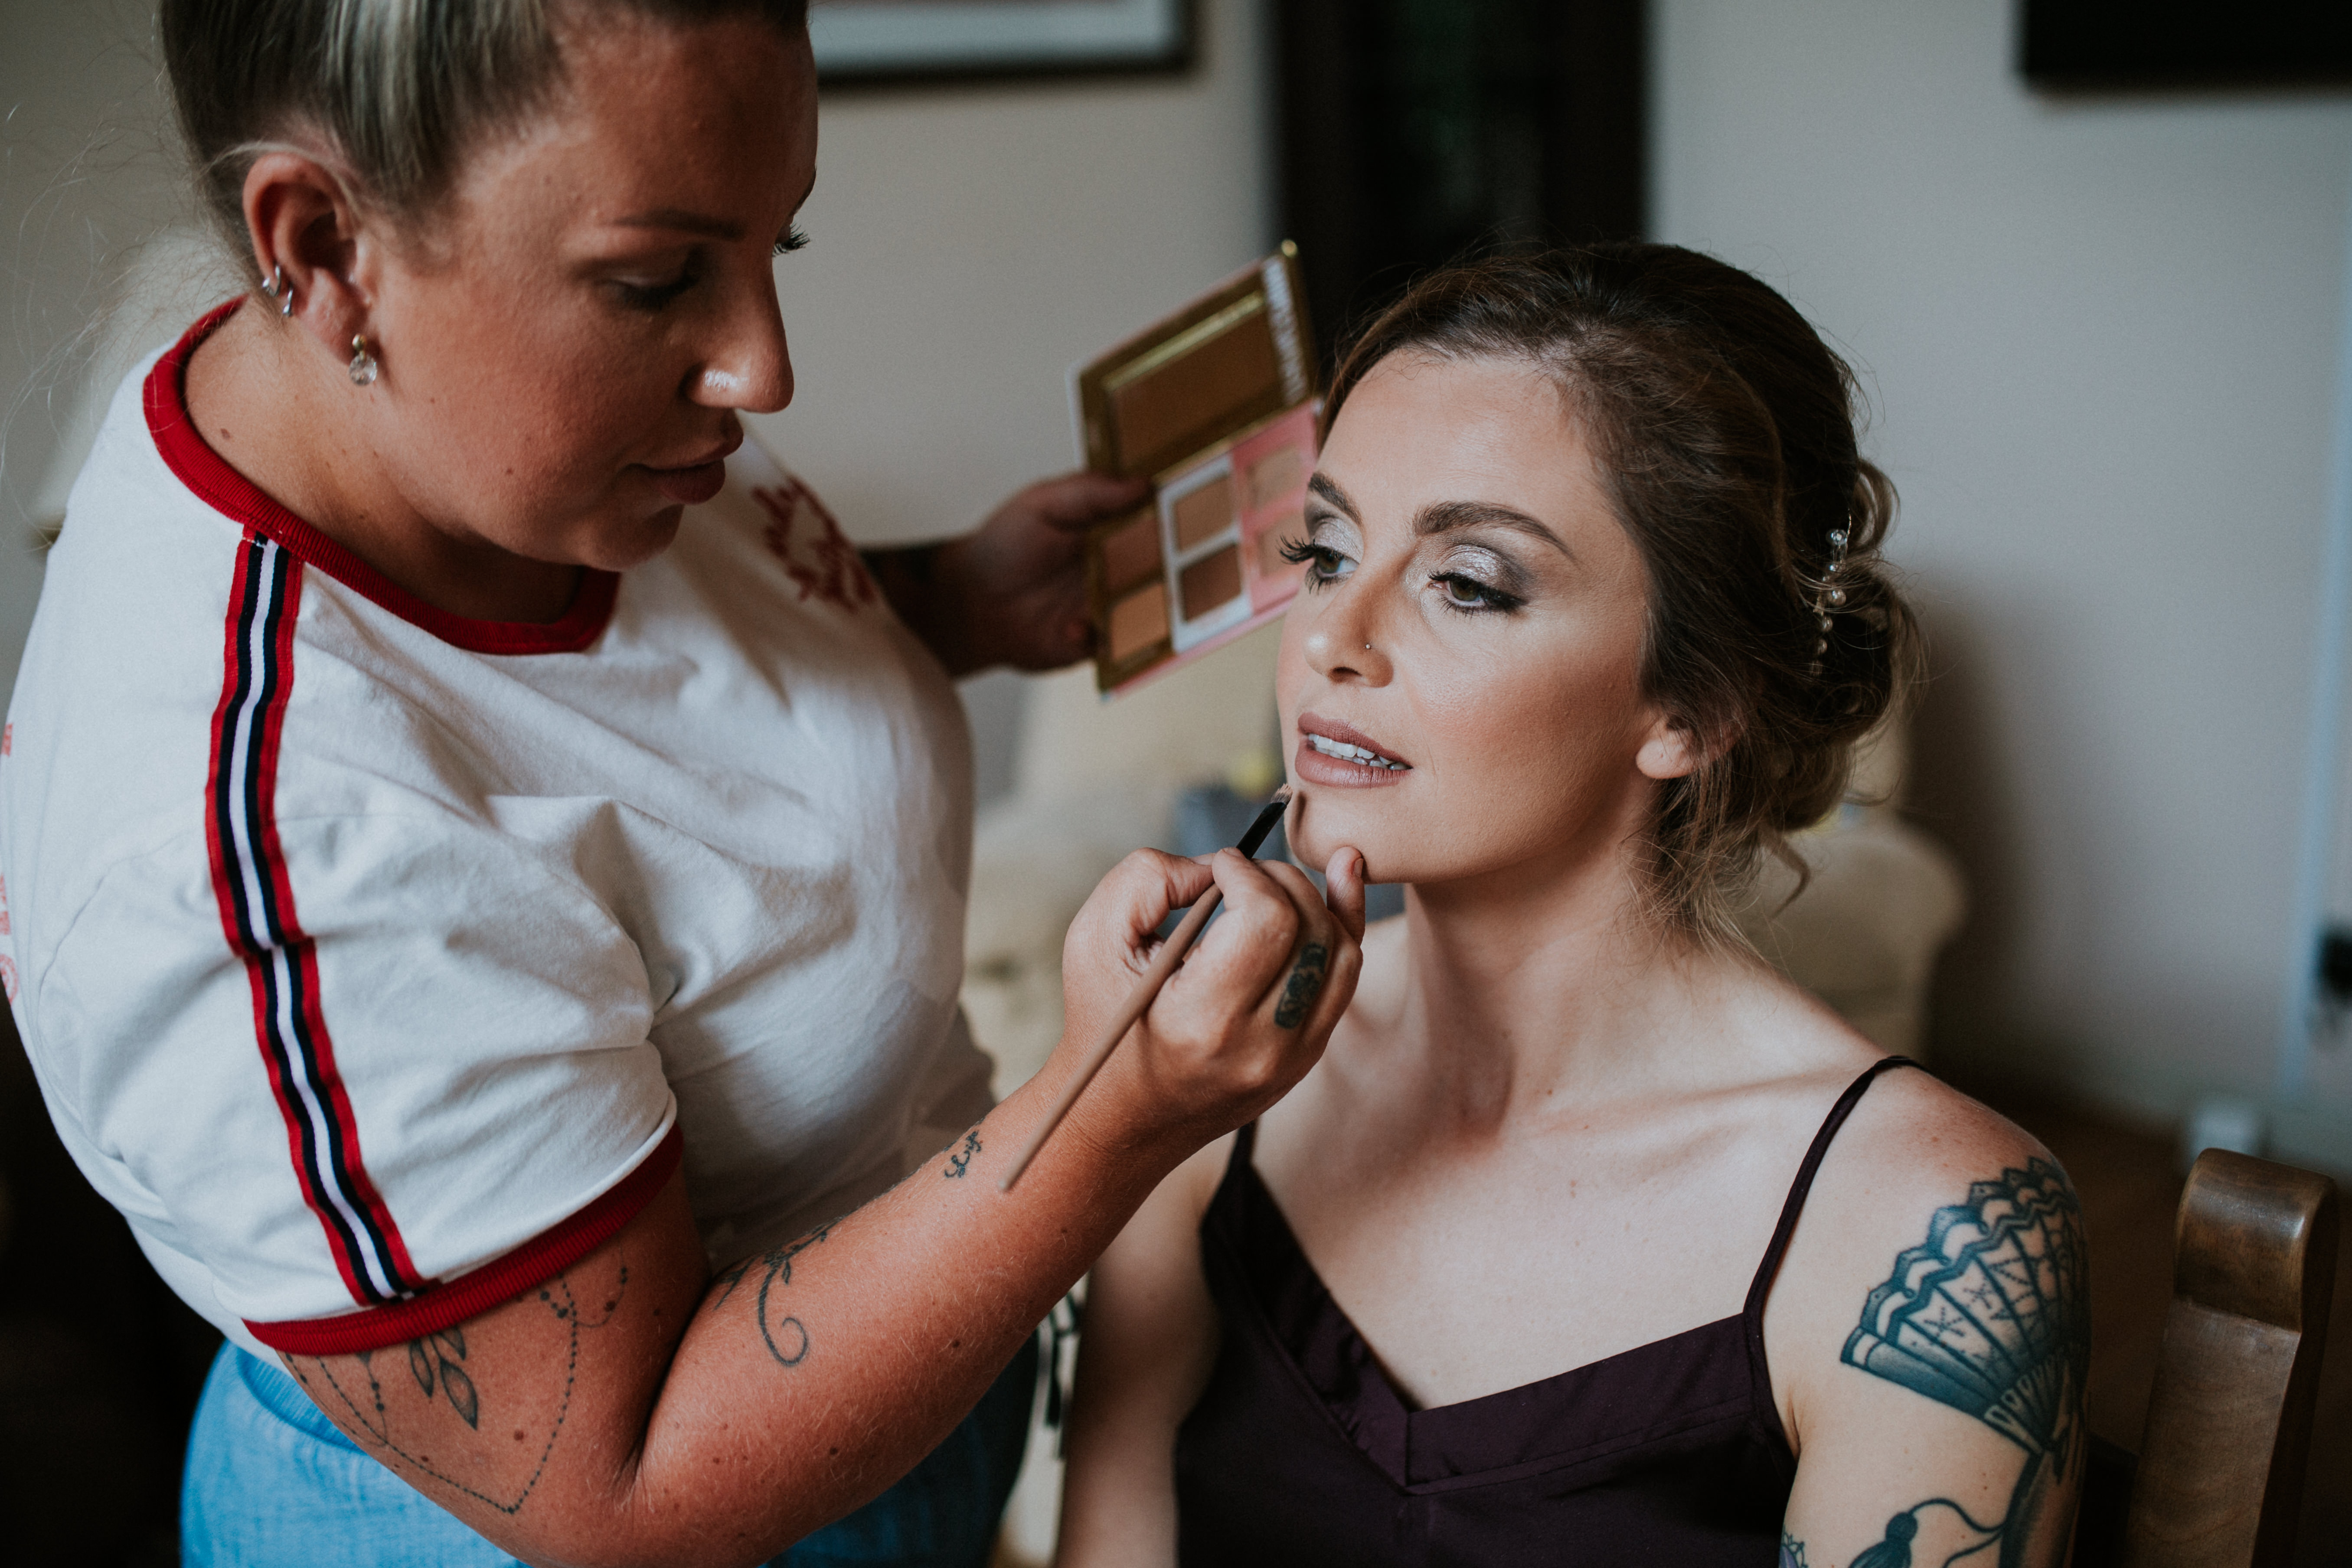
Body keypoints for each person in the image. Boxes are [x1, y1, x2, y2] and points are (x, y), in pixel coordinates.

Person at [0, 2, 1367, 1564]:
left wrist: (939, 603)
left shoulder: (478, 432)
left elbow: (617, 734)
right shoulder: (266, 844)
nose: (765, 370)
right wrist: (1121, 1108)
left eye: (776, 247)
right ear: (321, 246)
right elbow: (626, 1490)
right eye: (658, 282)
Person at [1055, 246, 2088, 1568]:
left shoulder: (1922, 1232)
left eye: (1466, 583)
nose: (1329, 638)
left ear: (1693, 708)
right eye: (1324, 553)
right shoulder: (1206, 1068)